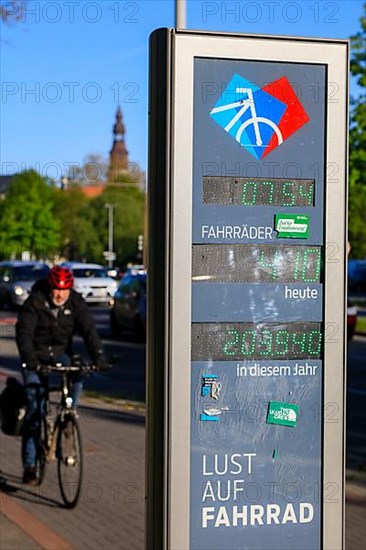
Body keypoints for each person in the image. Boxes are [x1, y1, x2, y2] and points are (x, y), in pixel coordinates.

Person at [16, 265, 107, 485]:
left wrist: (99, 357)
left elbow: (89, 331)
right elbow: (23, 333)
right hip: (35, 357)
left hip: (60, 353)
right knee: (35, 410)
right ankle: (30, 465)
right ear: (50, 286)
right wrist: (31, 361)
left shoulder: (75, 302)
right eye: (56, 289)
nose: (60, 294)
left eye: (64, 290)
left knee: (77, 374)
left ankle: (69, 411)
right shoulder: (35, 301)